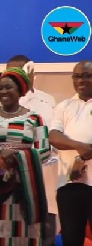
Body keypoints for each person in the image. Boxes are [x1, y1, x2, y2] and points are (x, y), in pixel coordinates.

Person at [0, 67, 50, 246]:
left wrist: (17, 156)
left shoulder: (35, 119)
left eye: (9, 88)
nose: (3, 92)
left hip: (24, 187)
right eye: (1, 88)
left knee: (23, 236)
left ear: (20, 91)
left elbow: (44, 151)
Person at [6, 54, 58, 246]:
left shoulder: (48, 101)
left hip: (43, 180)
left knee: (46, 235)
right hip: (12, 182)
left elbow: (51, 142)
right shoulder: (0, 104)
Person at [49, 60, 92, 246]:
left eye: (87, 75)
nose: (81, 80)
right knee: (71, 239)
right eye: (77, 76)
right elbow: (53, 136)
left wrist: (81, 157)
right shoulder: (64, 106)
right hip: (68, 184)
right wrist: (81, 148)